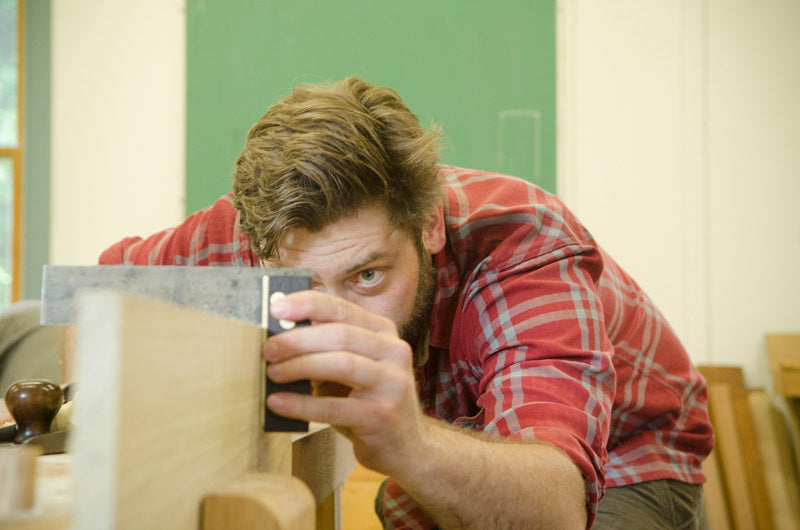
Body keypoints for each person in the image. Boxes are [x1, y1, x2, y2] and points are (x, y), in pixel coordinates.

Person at [97, 78, 713, 529]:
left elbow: (555, 505)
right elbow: (93, 293)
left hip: (627, 453)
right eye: (301, 284)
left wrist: (414, 446)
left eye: (366, 275)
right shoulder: (254, 232)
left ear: (428, 225)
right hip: (465, 429)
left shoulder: (523, 245)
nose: (334, 323)